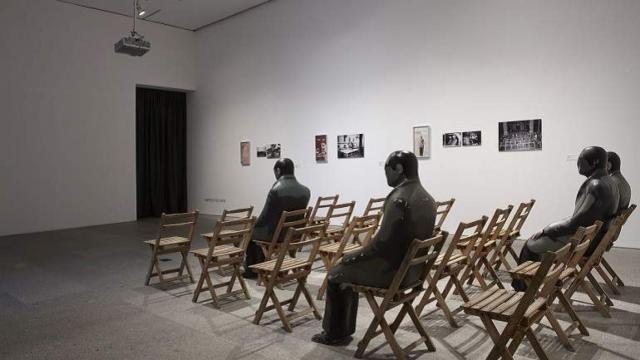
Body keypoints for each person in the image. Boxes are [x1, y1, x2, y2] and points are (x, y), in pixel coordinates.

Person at [311, 150, 436, 345]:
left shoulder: (398, 199)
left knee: (336, 273)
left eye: (387, 169)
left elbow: (379, 244)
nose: (385, 175)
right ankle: (342, 330)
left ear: (399, 168)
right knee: (346, 270)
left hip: (390, 272)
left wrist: (351, 256)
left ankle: (335, 333)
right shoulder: (427, 198)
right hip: (412, 273)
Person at [513, 146, 618, 291]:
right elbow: (581, 217)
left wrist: (546, 230)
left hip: (583, 242)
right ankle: (534, 282)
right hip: (592, 237)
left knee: (530, 244)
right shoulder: (609, 181)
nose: (578, 164)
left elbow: (576, 223)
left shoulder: (596, 185)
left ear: (594, 162)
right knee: (540, 239)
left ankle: (524, 288)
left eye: (581, 160)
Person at [244, 158, 310, 278]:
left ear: (278, 170)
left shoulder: (276, 190)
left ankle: (251, 271)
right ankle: (259, 265)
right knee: (257, 234)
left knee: (252, 236)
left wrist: (253, 227)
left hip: (276, 235)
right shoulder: (306, 191)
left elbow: (265, 216)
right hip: (294, 235)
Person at [606, 151, 632, 249]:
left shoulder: (612, 183)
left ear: (608, 165)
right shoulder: (624, 183)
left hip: (604, 233)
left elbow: (605, 211)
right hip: (613, 232)